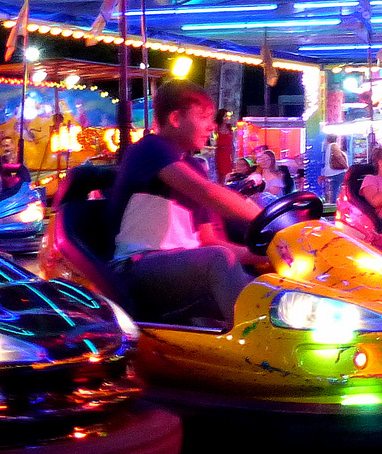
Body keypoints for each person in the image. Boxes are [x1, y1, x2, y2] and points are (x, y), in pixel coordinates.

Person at [99, 81, 265, 326]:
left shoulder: (194, 167)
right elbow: (208, 193)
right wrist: (269, 220)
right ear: (176, 118)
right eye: (203, 117)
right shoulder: (149, 148)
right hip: (136, 267)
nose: (212, 126)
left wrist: (265, 255)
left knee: (269, 284)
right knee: (217, 260)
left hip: (182, 266)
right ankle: (257, 345)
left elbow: (208, 241)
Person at [323, 136, 349, 202]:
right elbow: (339, 157)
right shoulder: (334, 145)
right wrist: (346, 167)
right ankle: (340, 203)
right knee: (343, 188)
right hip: (337, 172)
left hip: (330, 173)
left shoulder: (328, 147)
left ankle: (334, 202)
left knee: (334, 189)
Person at [214, 109, 236, 184]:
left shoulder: (230, 129)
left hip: (227, 154)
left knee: (227, 175)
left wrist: (233, 159)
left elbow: (232, 145)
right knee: (217, 175)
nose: (227, 118)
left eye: (228, 116)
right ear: (221, 117)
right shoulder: (215, 129)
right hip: (218, 153)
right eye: (225, 116)